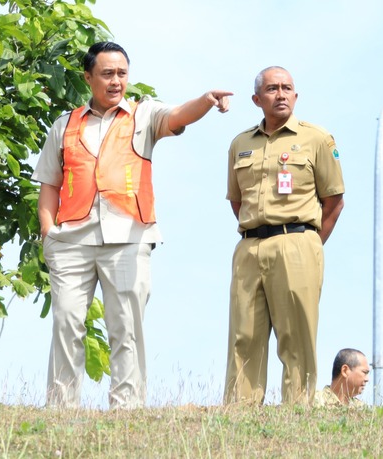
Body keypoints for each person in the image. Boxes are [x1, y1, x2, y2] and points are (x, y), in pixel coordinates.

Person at [33, 41, 232, 409]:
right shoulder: (64, 125)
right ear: (88, 77)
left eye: (122, 74)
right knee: (66, 325)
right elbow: (49, 184)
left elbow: (177, 116)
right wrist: (49, 235)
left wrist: (204, 101)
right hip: (72, 240)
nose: (115, 81)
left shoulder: (144, 115)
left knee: (125, 327)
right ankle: (60, 407)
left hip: (128, 238)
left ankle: (127, 408)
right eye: (107, 74)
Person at [224, 66, 345, 406]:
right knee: (243, 334)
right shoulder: (240, 143)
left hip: (298, 241)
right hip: (249, 245)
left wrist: (308, 244)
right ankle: (240, 409)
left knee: (297, 335)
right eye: (273, 88)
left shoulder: (317, 138)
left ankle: (298, 408)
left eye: (287, 88)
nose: (281, 94)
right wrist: (258, 228)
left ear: (296, 95)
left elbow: (334, 200)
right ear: (256, 99)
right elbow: (238, 200)